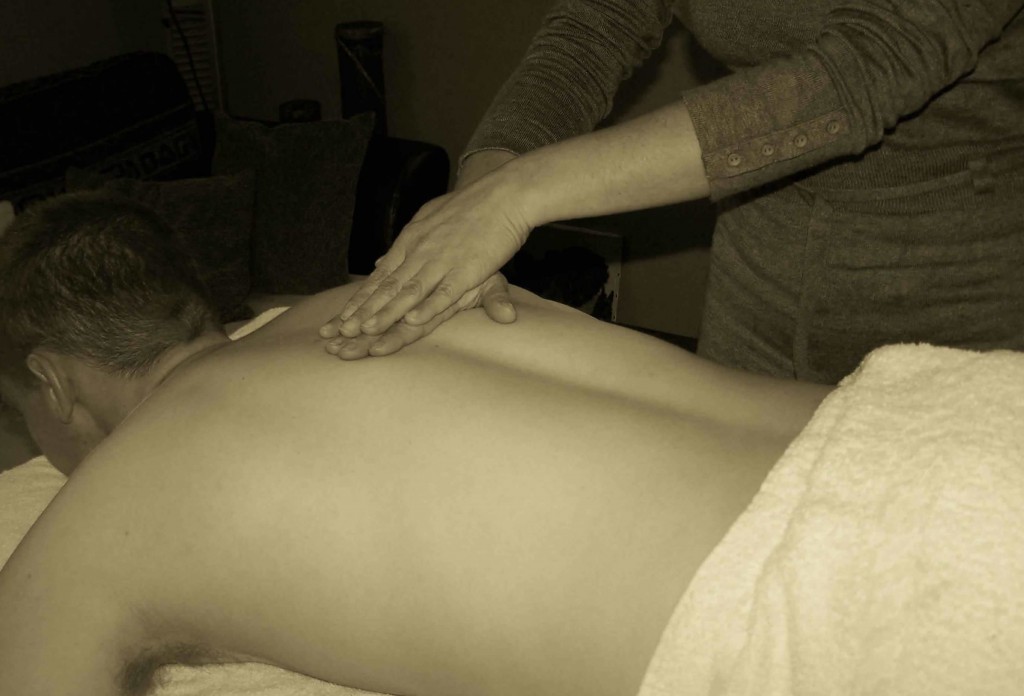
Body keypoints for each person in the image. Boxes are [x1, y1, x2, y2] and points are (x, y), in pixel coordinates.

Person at [0, 193, 830, 696]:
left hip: (807, 622)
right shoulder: (382, 292)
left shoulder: (100, 520)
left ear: (52, 383)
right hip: (865, 427)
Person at [321, 0, 1024, 384]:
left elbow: (859, 73)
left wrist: (518, 196)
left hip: (961, 299)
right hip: (757, 283)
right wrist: (478, 201)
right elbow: (594, 27)